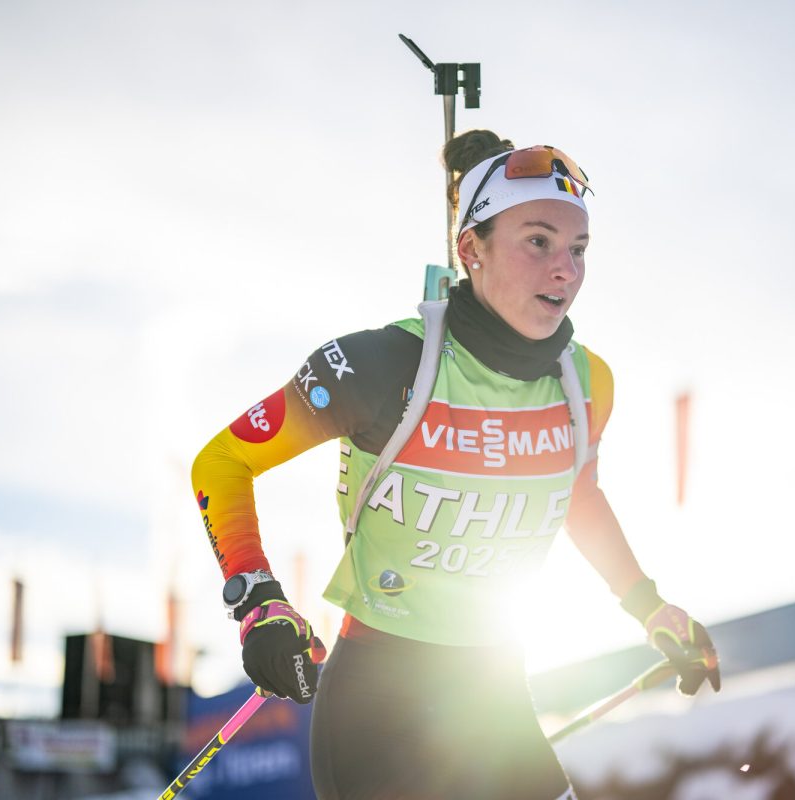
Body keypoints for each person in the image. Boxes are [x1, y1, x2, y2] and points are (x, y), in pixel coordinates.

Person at [191, 130, 721, 800]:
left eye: (577, 248)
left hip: (492, 697)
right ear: (471, 249)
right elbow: (225, 460)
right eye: (537, 241)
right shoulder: (382, 367)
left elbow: (575, 493)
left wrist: (650, 606)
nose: (566, 269)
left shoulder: (587, 384)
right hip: (375, 708)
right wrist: (259, 601)